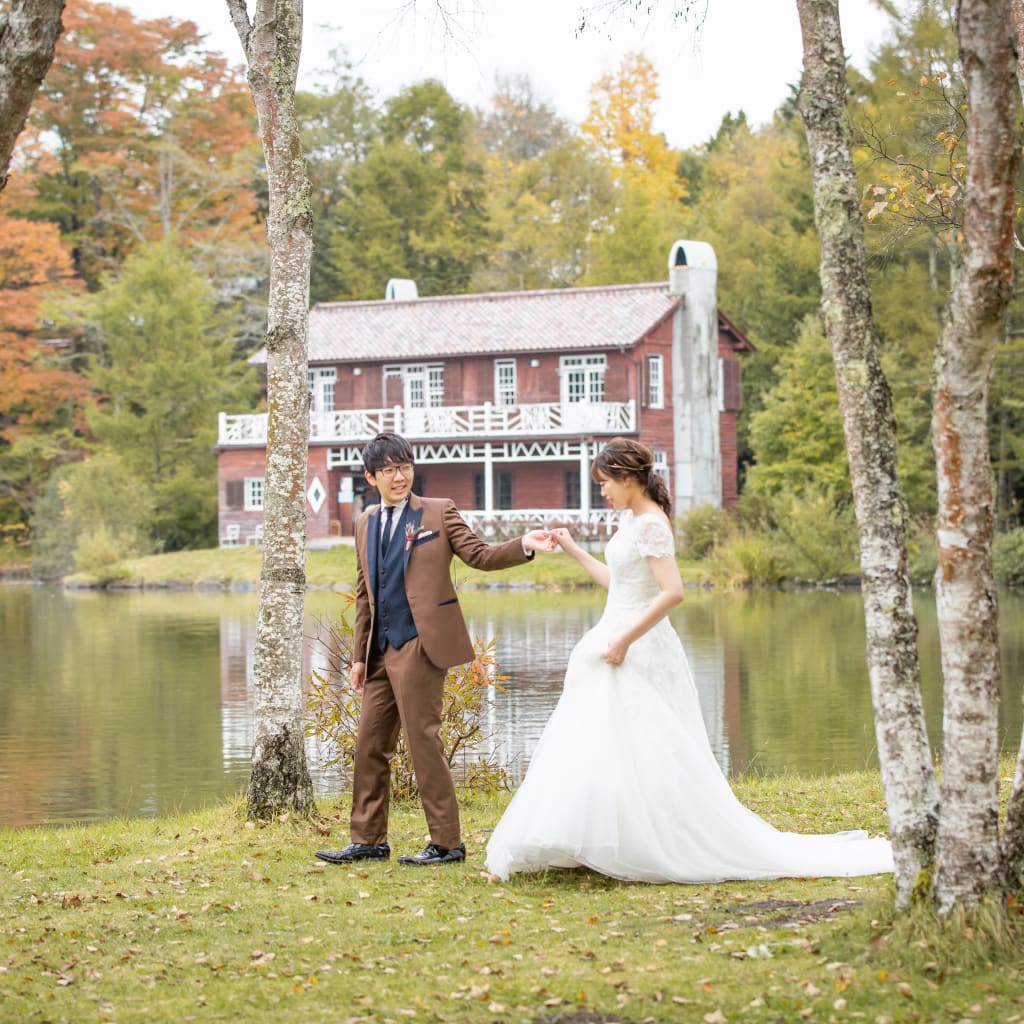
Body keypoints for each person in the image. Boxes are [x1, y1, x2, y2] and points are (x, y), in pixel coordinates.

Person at [485, 437, 894, 883]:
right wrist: (574, 549)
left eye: (605, 483)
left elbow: (673, 592)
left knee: (648, 741)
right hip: (614, 635)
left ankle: (655, 839)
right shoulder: (631, 520)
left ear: (627, 478)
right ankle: (600, 838)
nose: (602, 492)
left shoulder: (652, 525)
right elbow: (619, 584)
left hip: (637, 646)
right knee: (607, 739)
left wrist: (624, 641)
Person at [316, 432, 555, 868]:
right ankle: (369, 839)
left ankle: (447, 843)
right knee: (370, 743)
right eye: (388, 469)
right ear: (371, 477)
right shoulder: (364, 522)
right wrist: (356, 657)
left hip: (421, 645)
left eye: (404, 466)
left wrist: (524, 546)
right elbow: (365, 594)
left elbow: (480, 556)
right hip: (378, 653)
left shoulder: (439, 513)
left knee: (423, 742)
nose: (399, 475)